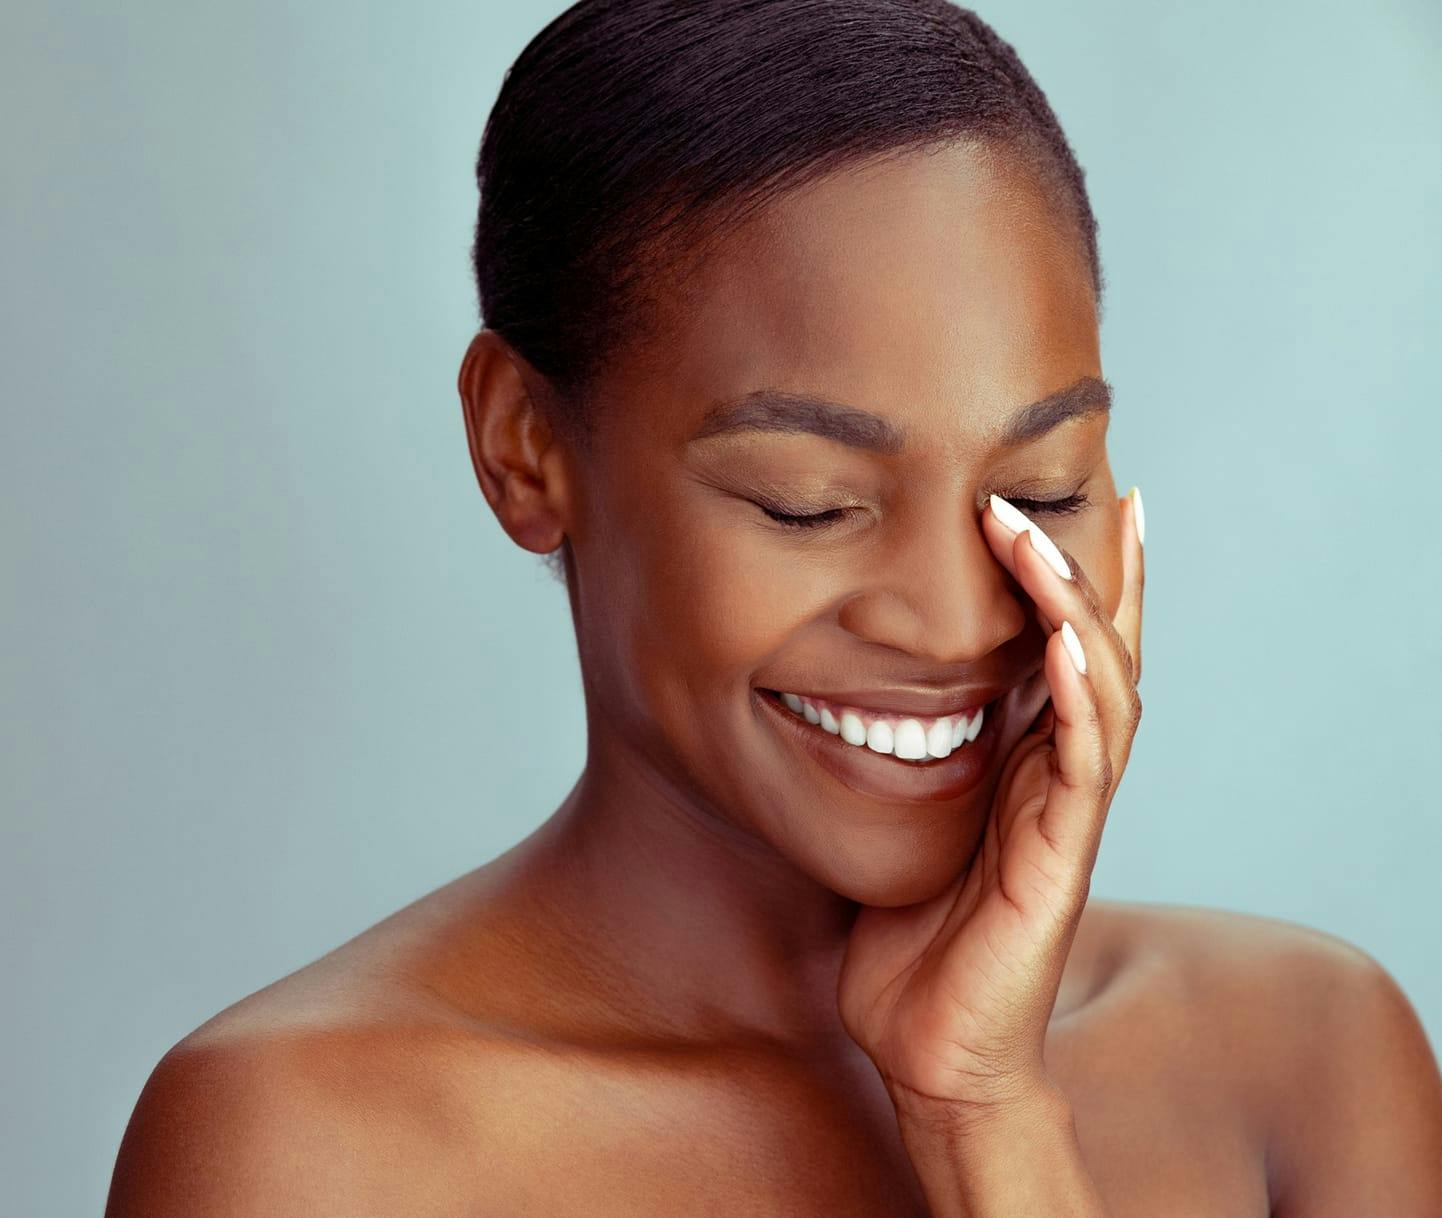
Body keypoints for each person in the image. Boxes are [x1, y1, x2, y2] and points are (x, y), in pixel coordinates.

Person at [105, 2, 1442, 1214]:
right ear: (523, 445)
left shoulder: (1305, 1057)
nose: (951, 620)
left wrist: (984, 1116)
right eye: (808, 500)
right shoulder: (311, 1148)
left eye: (1040, 491)